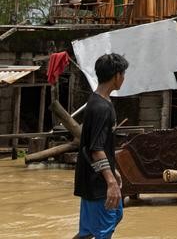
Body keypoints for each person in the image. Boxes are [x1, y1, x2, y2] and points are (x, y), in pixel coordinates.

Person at [74, 53, 129, 239]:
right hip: (96, 182)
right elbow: (96, 149)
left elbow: (101, 145)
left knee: (98, 226)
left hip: (92, 178)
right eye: (123, 74)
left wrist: (114, 170)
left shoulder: (101, 101)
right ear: (116, 76)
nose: (124, 78)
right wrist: (111, 182)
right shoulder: (101, 108)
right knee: (104, 230)